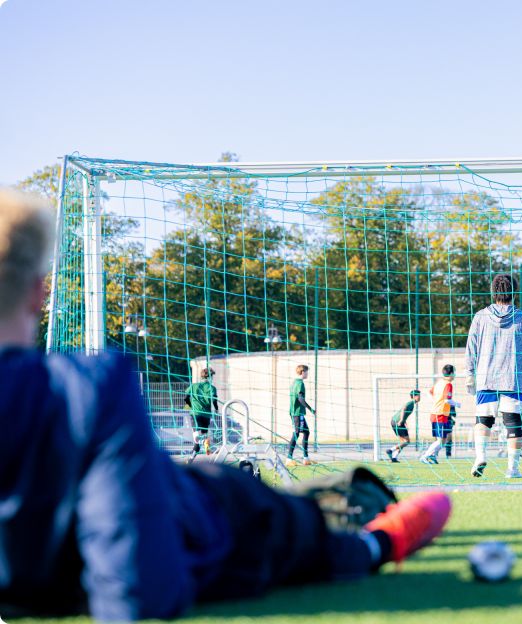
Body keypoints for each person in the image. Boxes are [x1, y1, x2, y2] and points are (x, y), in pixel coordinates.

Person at [0, 189, 452, 620]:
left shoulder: (91, 389)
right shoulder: (87, 387)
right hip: (207, 510)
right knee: (249, 510)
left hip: (140, 488)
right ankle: (375, 544)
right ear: (40, 292)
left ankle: (316, 503)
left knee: (212, 476)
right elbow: (140, 589)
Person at [465, 274, 522, 479]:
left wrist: (469, 374)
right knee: (514, 425)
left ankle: (480, 456)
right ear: (514, 292)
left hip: (486, 379)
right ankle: (512, 469)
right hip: (513, 380)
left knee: (483, 420)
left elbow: (471, 348)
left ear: (493, 292)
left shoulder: (480, 317)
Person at [420, 364, 459, 465]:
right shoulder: (448, 384)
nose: (455, 375)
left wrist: (435, 401)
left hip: (441, 414)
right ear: (451, 373)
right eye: (454, 372)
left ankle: (433, 455)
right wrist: (457, 404)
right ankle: (425, 456)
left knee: (444, 439)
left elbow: (429, 392)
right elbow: (447, 400)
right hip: (439, 414)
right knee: (441, 440)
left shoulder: (439, 382)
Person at [184, 367, 219, 456]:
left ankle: (201, 442)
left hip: (196, 413)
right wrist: (216, 409)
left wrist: (190, 405)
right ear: (210, 377)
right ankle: (196, 451)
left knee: (196, 435)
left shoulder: (194, 386)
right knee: (204, 434)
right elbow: (214, 401)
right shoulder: (212, 388)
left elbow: (186, 397)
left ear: (201, 376)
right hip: (206, 415)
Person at [288, 364, 316, 466]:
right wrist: (311, 409)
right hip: (297, 413)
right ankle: (289, 458)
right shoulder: (300, 384)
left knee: (306, 432)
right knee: (296, 433)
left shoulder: (294, 383)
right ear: (302, 372)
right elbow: (300, 398)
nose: (308, 374)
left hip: (295, 412)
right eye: (307, 372)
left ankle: (306, 458)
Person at [386, 389, 420, 463]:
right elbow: (403, 409)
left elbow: (404, 412)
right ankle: (391, 450)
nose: (420, 397)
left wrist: (404, 421)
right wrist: (401, 420)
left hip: (394, 421)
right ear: (415, 396)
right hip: (398, 422)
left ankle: (394, 458)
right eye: (419, 395)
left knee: (402, 443)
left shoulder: (412, 404)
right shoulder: (411, 402)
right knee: (407, 441)